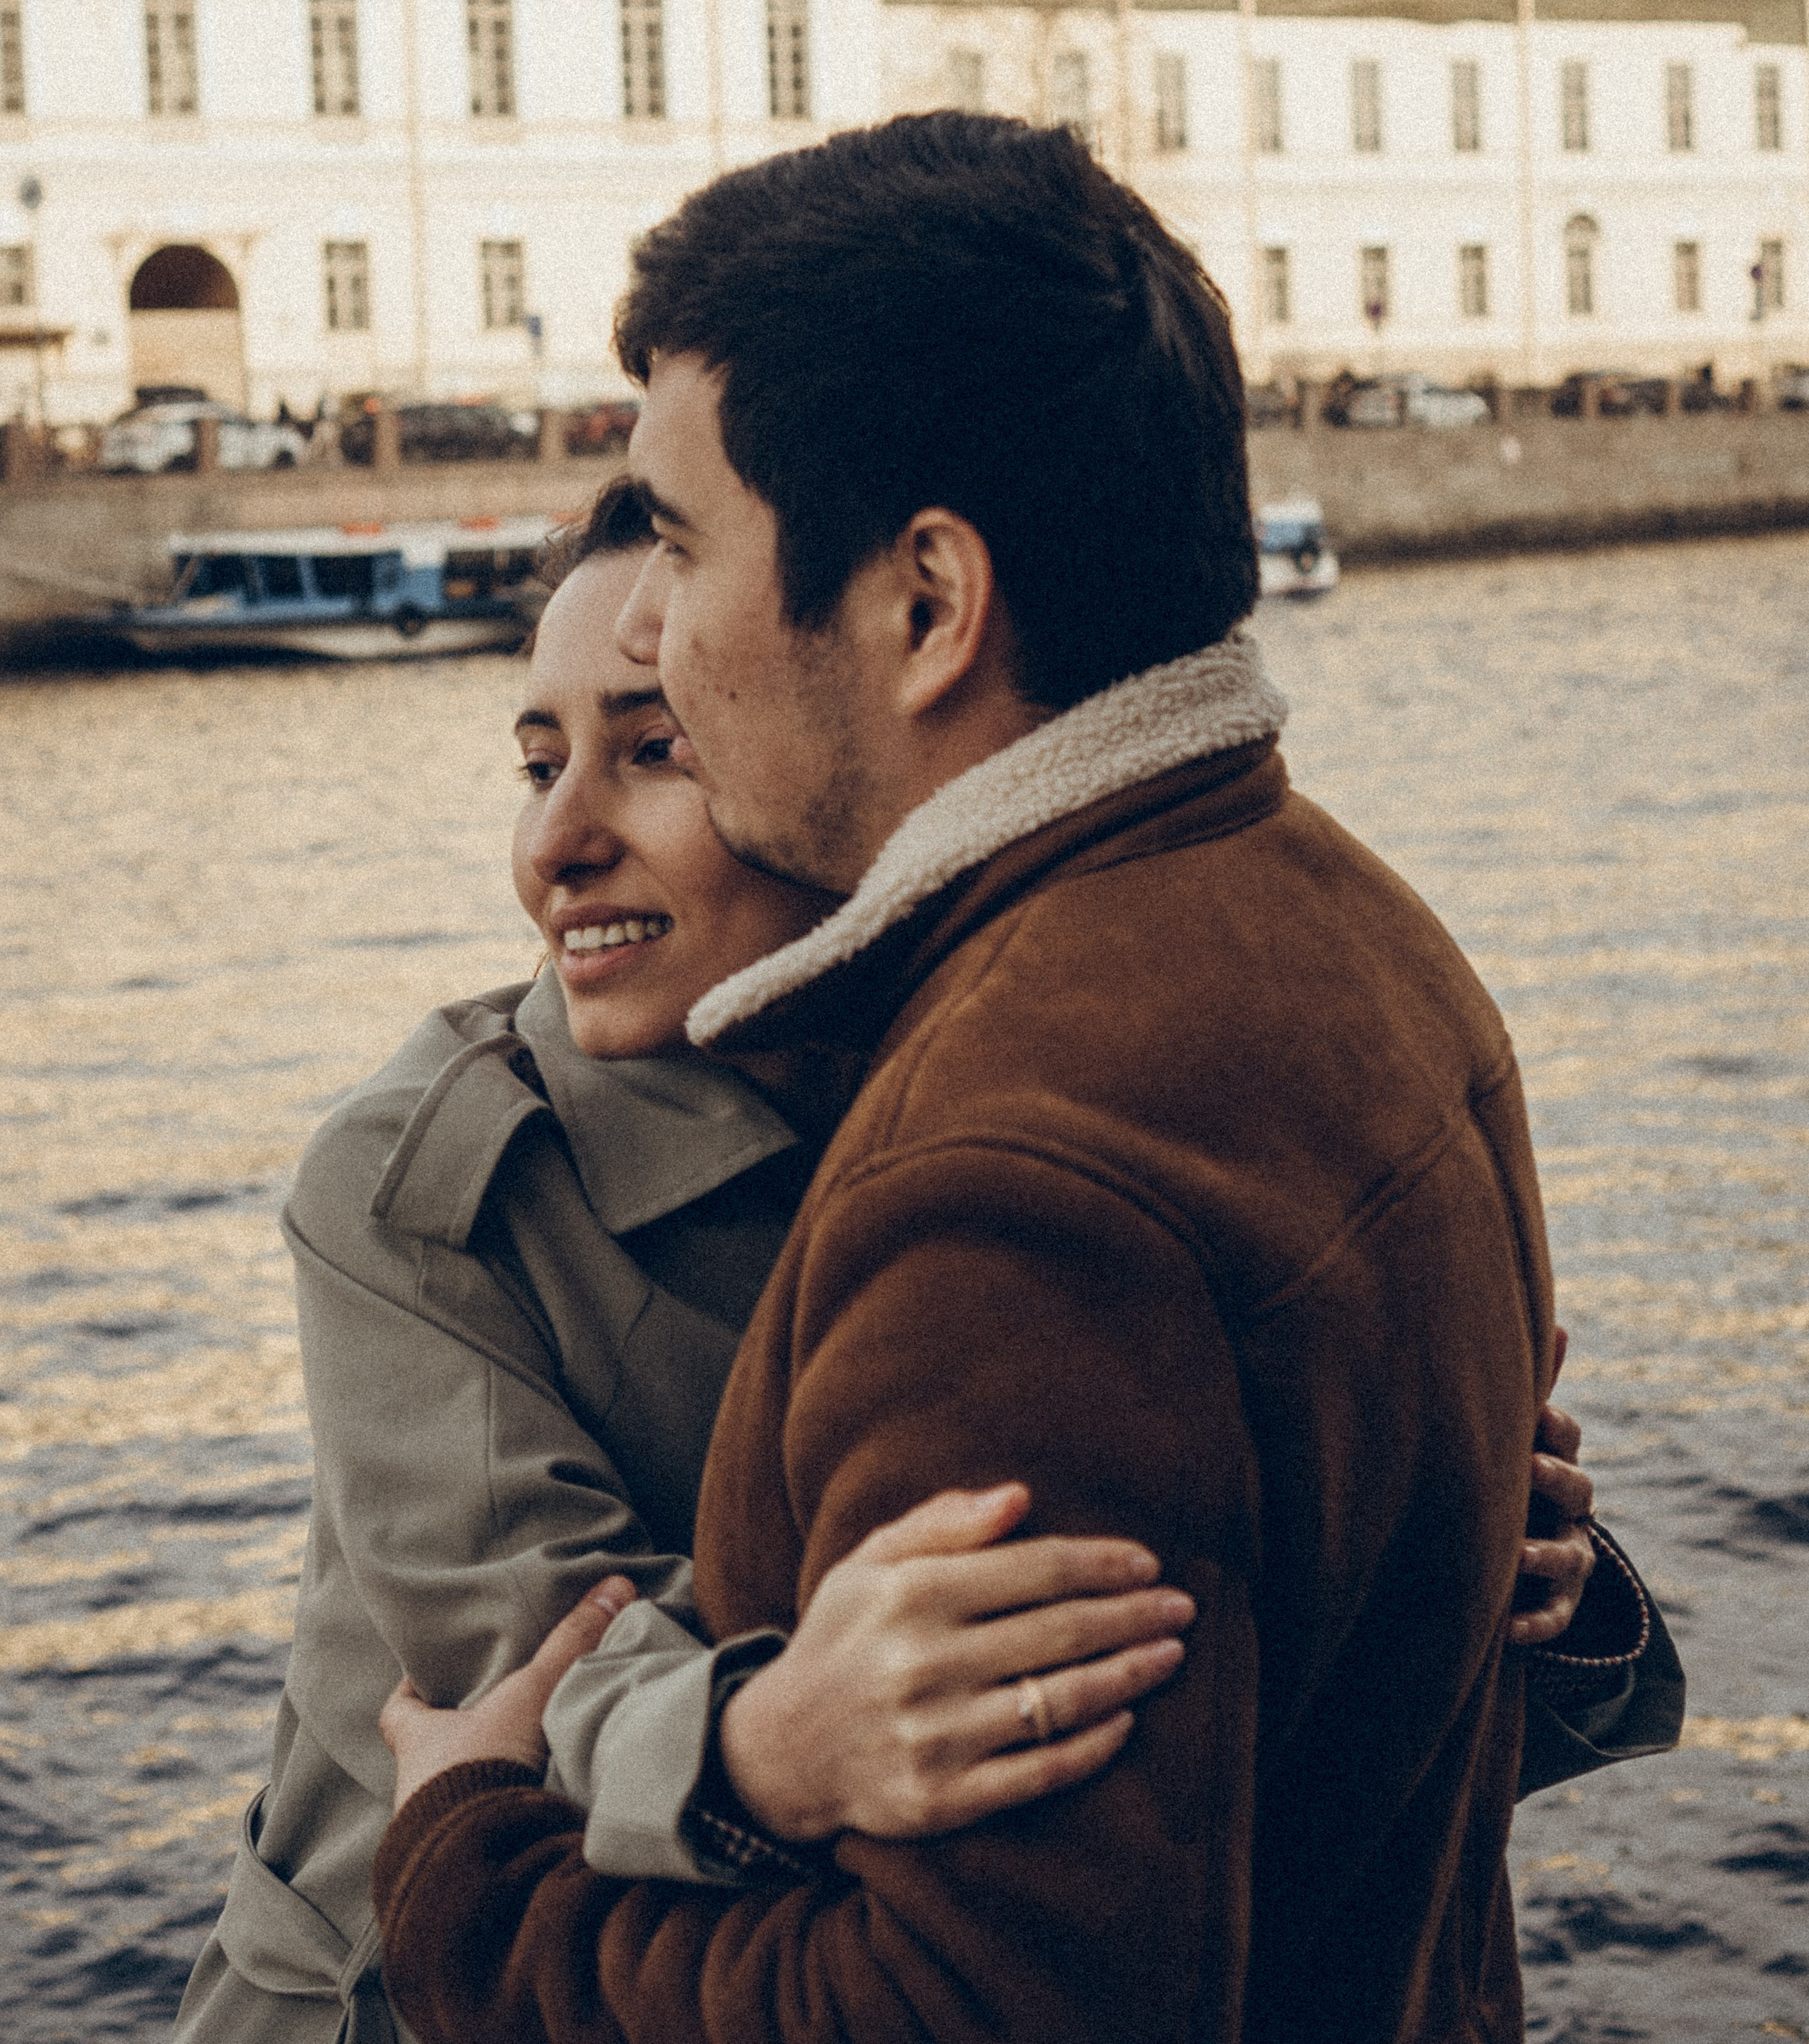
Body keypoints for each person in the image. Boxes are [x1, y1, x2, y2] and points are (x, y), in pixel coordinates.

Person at [370, 113, 1681, 2044]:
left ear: (925, 603)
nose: (647, 616)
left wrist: (472, 1881)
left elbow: (962, 2011)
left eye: (686, 535)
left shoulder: (1010, 1182)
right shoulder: (1358, 928)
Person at [172, 482, 1217, 2044]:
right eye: (536, 764)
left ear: (822, 765)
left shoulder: (1006, 1113)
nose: (555, 843)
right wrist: (763, 1744)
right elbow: (529, 1688)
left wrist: (1466, 1556)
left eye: (651, 749)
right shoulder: (417, 1189)